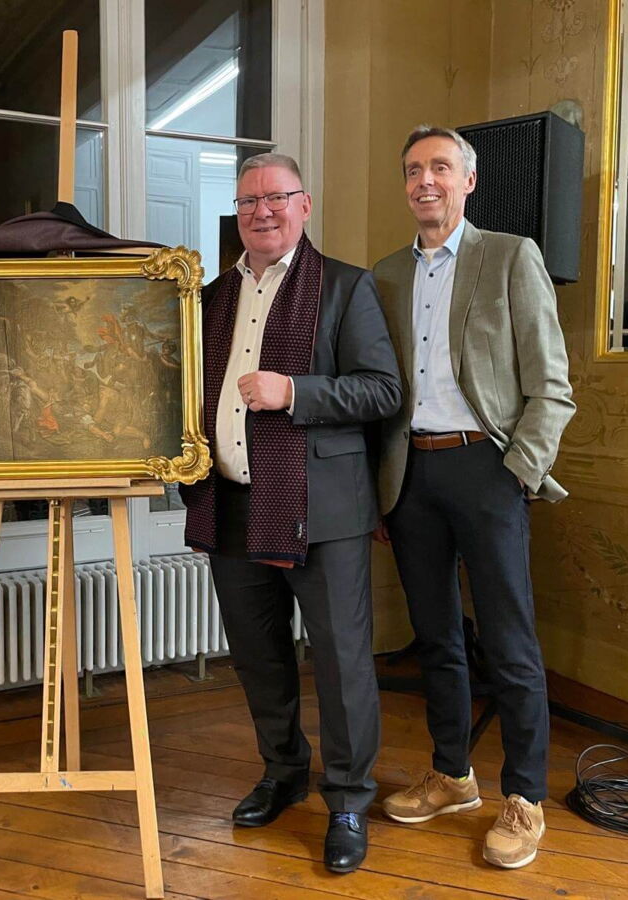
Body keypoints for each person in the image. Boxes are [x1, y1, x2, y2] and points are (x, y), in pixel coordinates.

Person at [182, 152, 401, 873]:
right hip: (231, 504)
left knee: (340, 662)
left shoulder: (345, 286)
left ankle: (348, 799)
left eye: (276, 197)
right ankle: (282, 772)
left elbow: (381, 390)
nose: (263, 211)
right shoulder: (210, 298)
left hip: (324, 511)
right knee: (258, 656)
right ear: (236, 213)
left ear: (305, 205)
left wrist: (295, 392)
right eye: (249, 201)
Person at [372, 125, 575, 869]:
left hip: (487, 468)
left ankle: (524, 797)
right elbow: (380, 389)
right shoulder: (385, 275)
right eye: (412, 169)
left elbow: (551, 385)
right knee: (436, 638)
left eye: (440, 167)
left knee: (510, 642)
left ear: (469, 180)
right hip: (410, 477)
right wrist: (380, 489)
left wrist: (519, 470)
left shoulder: (512, 256)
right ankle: (453, 775)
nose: (424, 180)